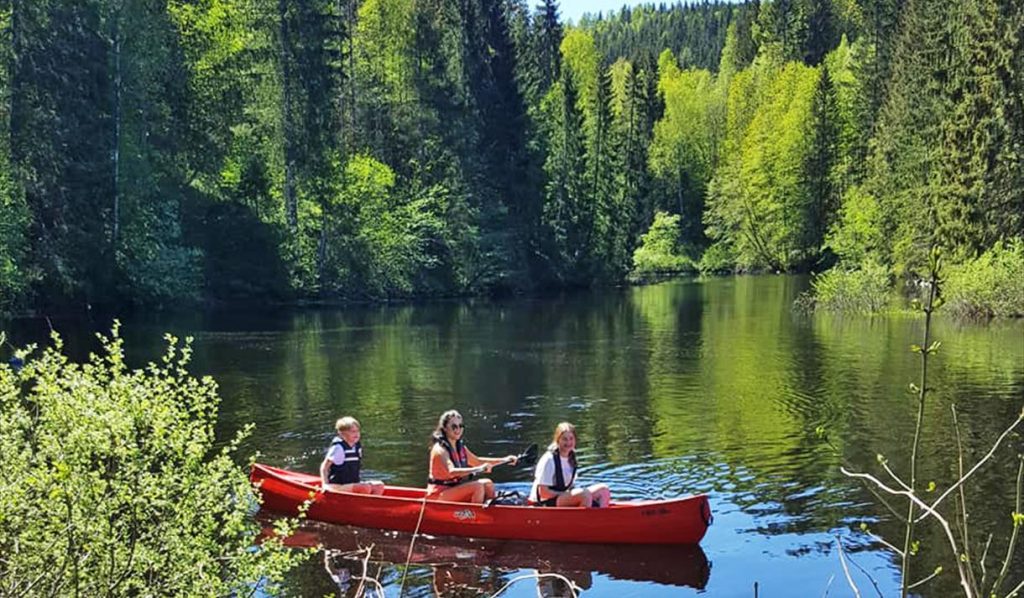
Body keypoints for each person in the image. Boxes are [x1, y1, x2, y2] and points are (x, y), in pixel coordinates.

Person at [427, 409, 517, 503]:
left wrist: (505, 459)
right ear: (445, 428)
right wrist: (479, 469)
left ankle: (493, 512)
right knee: (477, 487)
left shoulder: (459, 447)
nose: (458, 429)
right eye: (454, 426)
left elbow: (477, 461)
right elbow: (452, 471)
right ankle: (476, 515)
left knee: (488, 483)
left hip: (453, 489)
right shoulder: (440, 450)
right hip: (438, 495)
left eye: (460, 426)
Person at [530, 422, 611, 507]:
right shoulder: (549, 459)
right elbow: (543, 493)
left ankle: (600, 518)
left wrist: (572, 495)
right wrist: (569, 495)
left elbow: (571, 487)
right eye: (564, 439)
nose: (568, 442)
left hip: (560, 498)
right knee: (585, 495)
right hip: (543, 502)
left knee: (603, 490)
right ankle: (582, 519)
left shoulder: (572, 457)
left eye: (571, 438)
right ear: (558, 440)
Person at [320, 416, 385, 495]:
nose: (356, 434)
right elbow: (324, 467)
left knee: (379, 485)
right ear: (342, 433)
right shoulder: (338, 448)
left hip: (352, 483)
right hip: (338, 485)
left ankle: (371, 506)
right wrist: (325, 485)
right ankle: (360, 505)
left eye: (357, 431)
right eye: (352, 432)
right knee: (364, 487)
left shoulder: (356, 447)